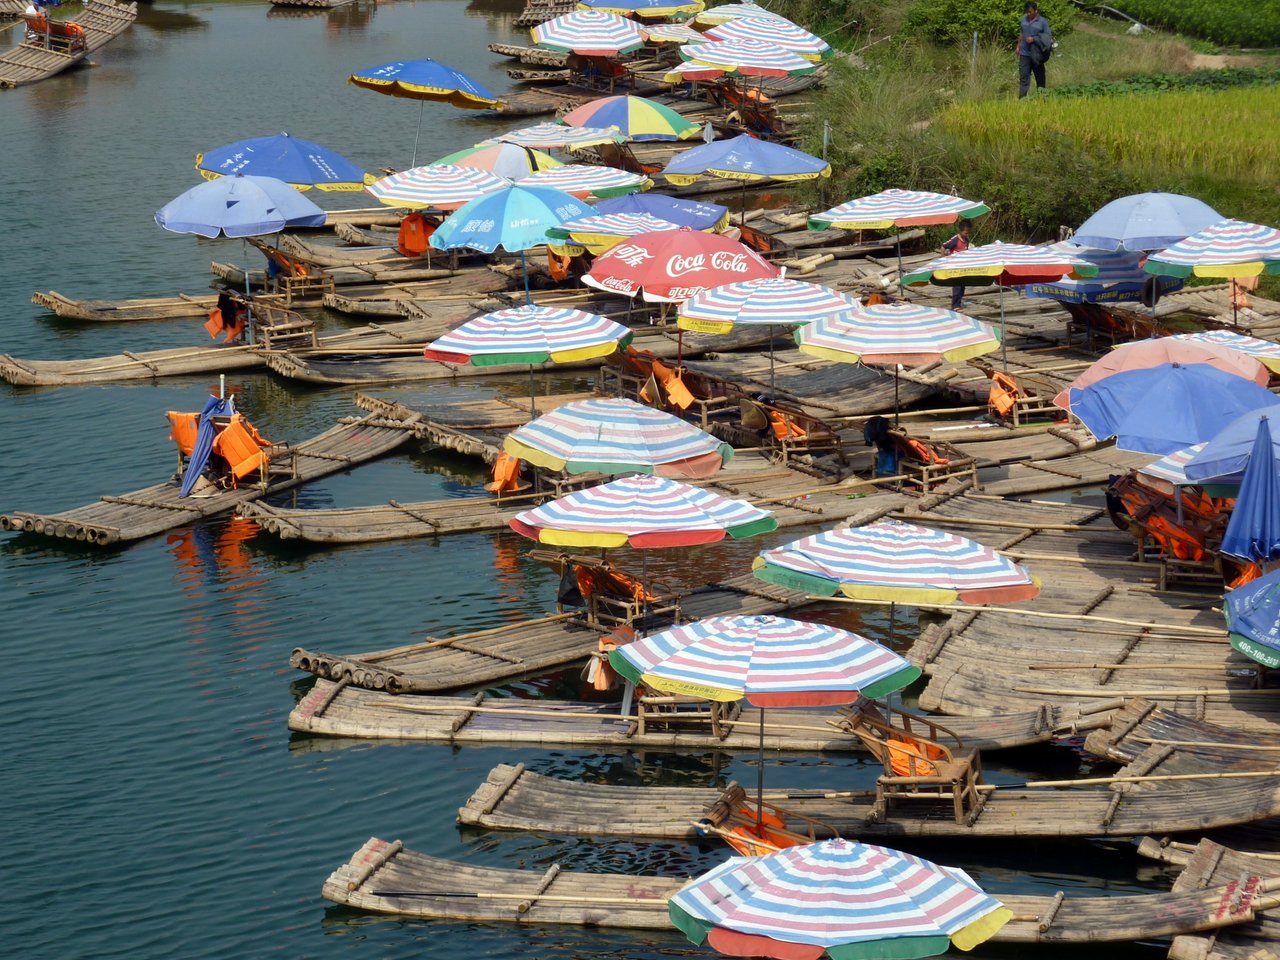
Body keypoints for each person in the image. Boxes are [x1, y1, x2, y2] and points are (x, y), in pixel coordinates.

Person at [1017, 2, 1053, 99]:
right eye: (1027, 12)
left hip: (1037, 54)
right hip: (1024, 53)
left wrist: (1034, 39)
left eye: (1030, 12)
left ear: (1036, 11)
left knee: (1040, 77)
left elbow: (1047, 37)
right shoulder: (1023, 20)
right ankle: (1022, 98)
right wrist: (1018, 46)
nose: (1028, 14)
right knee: (1024, 77)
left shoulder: (1043, 22)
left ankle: (1042, 97)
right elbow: (1022, 33)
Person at [941, 220, 972, 310]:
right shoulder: (955, 240)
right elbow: (943, 247)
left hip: (963, 267)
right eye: (966, 232)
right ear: (961, 231)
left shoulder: (967, 240)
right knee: (957, 287)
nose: (967, 234)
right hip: (954, 267)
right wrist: (943, 259)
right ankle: (955, 305)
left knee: (962, 288)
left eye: (969, 232)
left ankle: (959, 302)